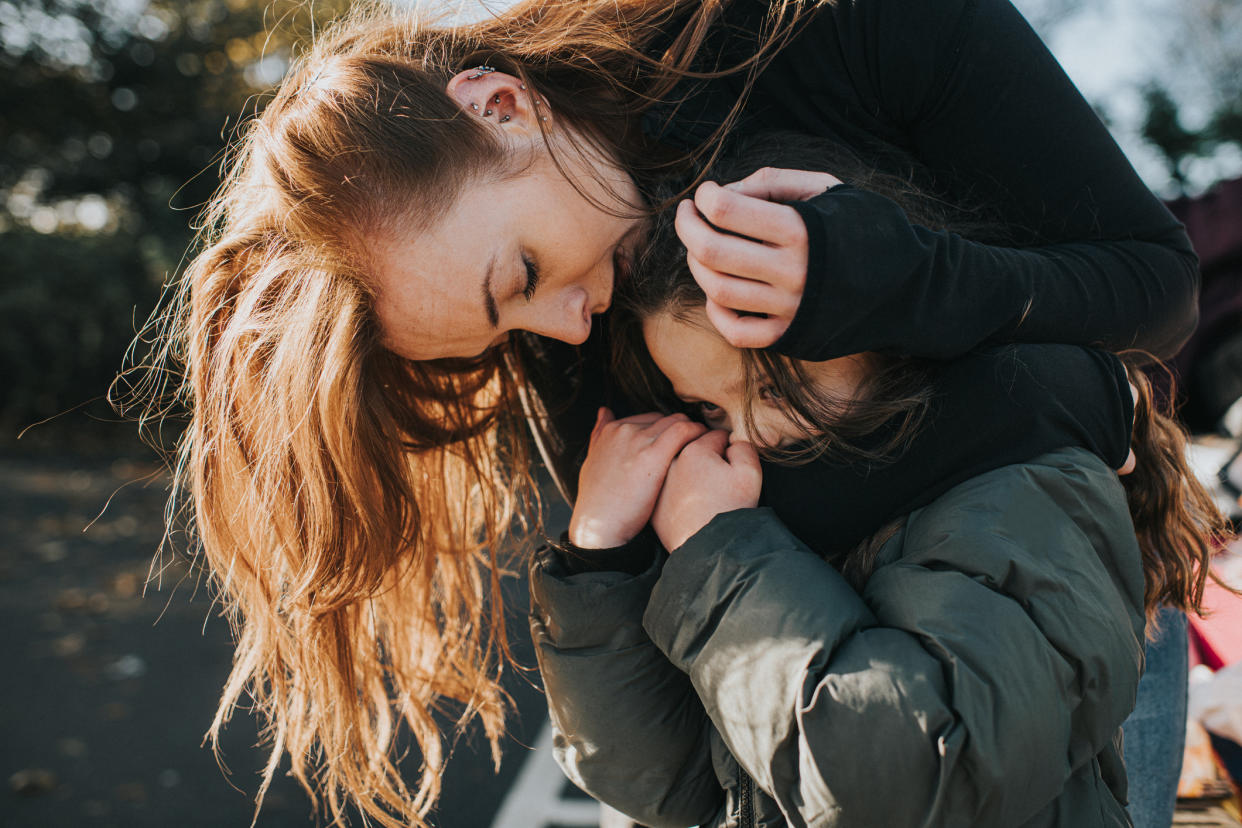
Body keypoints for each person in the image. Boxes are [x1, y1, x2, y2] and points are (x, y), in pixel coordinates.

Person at [126, 0, 1203, 825]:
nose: (566, 324)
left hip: (1047, 622)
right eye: (506, 330)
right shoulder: (562, 321)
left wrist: (904, 283)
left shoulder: (838, 30)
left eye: (526, 274)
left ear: (501, 106)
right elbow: (670, 681)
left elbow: (1154, 289)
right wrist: (604, 562)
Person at [527, 134, 1229, 826]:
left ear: (885, 327)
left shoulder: (1025, 493)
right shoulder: (770, 532)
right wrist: (601, 557)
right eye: (710, 407)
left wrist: (719, 555)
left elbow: (915, 780)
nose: (749, 439)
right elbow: (668, 791)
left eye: (776, 385)